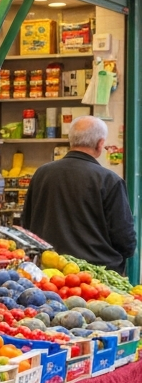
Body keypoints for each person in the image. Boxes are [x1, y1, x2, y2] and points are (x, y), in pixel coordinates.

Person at [21, 116, 137, 273]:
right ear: (100, 143)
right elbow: (124, 239)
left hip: (48, 271)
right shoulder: (109, 180)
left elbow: (26, 225)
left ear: (71, 140)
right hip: (96, 275)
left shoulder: (42, 173)